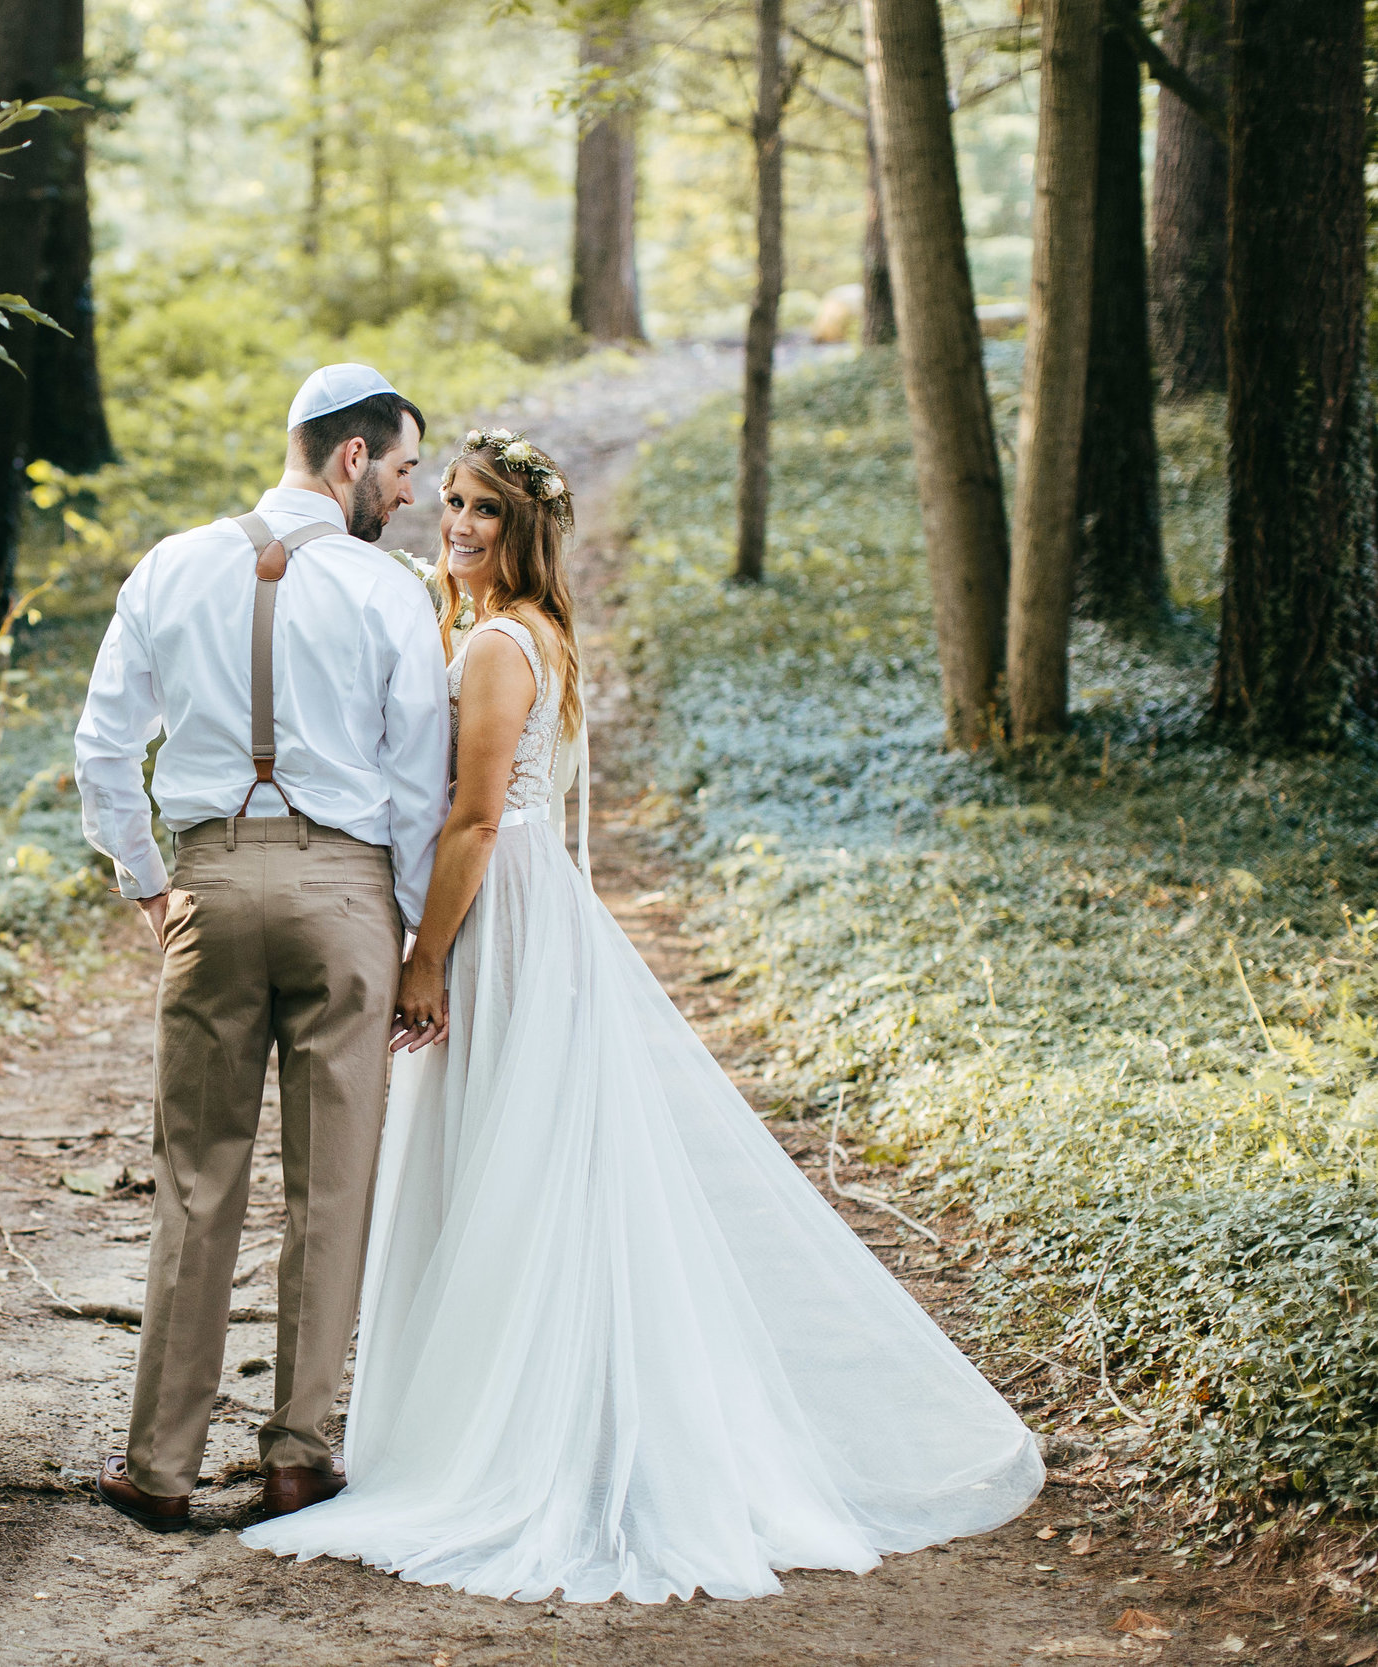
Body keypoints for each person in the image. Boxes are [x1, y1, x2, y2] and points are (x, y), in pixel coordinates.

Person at [240, 428, 1044, 1602]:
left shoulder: (506, 645)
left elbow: (471, 820)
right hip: (530, 909)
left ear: (527, 530)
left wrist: (424, 958)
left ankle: (520, 1443)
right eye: (450, 503)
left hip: (500, 916)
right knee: (515, 1165)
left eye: (483, 512)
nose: (456, 525)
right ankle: (531, 1412)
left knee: (507, 1165)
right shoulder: (508, 630)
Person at [72, 365, 451, 1530]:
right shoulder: (389, 592)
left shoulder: (170, 564)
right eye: (398, 470)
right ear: (348, 458)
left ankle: (159, 1467)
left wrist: (151, 887)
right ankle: (297, 1453)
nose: (407, 496)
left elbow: (99, 752)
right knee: (332, 1183)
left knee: (197, 1176)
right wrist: (415, 936)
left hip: (210, 886)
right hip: (346, 896)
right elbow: (417, 788)